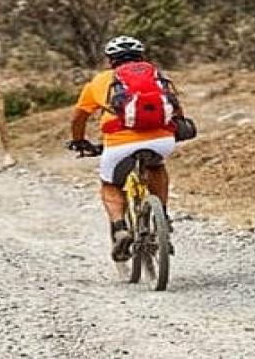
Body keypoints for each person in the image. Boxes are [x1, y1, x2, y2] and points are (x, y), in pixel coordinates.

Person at [67, 36, 184, 262]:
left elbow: (78, 117)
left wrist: (79, 140)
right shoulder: (157, 75)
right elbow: (176, 108)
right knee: (157, 167)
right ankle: (163, 217)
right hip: (161, 140)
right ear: (142, 57)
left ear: (110, 60)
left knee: (110, 184)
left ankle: (120, 227)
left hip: (119, 143)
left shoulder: (100, 81)